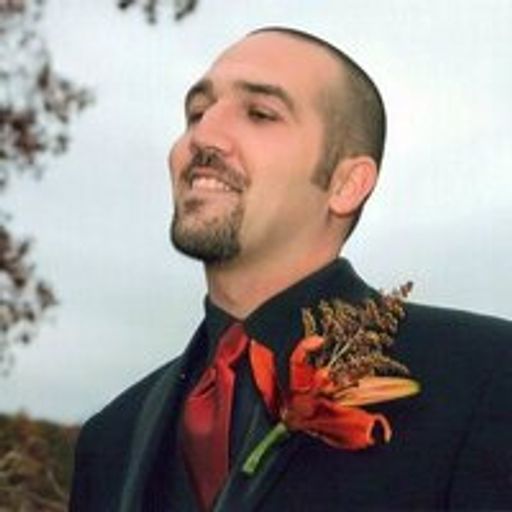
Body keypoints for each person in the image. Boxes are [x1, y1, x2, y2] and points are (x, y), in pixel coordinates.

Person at [70, 27, 512, 511]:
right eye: (197, 113)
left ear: (345, 184)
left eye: (260, 114)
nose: (203, 136)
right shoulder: (108, 441)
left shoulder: (489, 377)